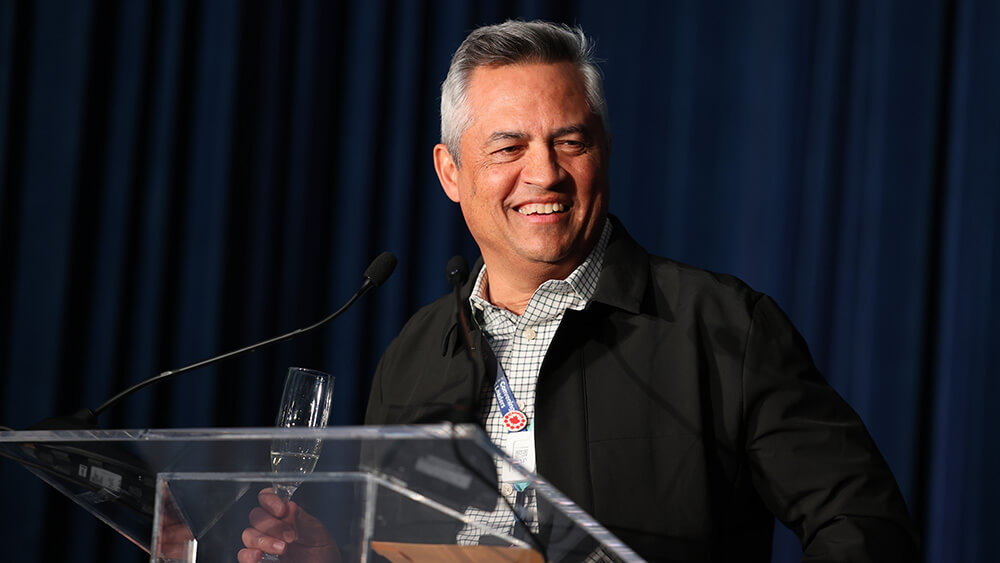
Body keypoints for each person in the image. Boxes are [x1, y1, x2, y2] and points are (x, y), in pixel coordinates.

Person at [240, 20, 919, 562]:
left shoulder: (722, 325)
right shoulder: (414, 353)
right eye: (509, 148)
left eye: (571, 141)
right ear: (451, 172)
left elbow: (865, 525)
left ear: (605, 152)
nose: (546, 173)